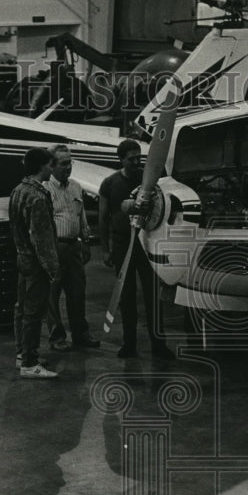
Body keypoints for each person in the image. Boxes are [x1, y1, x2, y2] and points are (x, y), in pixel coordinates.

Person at [98, 138, 174, 361]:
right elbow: (102, 219)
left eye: (139, 158)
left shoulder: (151, 180)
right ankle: (129, 343)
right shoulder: (110, 184)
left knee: (153, 295)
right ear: (120, 159)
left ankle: (159, 345)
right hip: (123, 244)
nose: (135, 162)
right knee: (127, 295)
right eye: (130, 159)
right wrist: (105, 249)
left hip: (148, 241)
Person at [43, 144, 100, 352]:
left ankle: (80, 333)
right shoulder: (45, 189)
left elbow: (81, 214)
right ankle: (57, 336)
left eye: (70, 163)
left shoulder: (76, 186)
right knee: (52, 294)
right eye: (64, 163)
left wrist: (86, 240)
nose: (69, 167)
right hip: (55, 246)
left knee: (77, 292)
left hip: (74, 246)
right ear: (52, 165)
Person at [9, 147, 60, 378]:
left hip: (22, 258)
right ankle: (30, 363)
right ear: (41, 167)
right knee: (34, 312)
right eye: (50, 165)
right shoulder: (38, 196)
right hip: (36, 262)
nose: (52, 169)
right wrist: (52, 267)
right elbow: (42, 238)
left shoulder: (18, 190)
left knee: (21, 308)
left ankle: (22, 354)